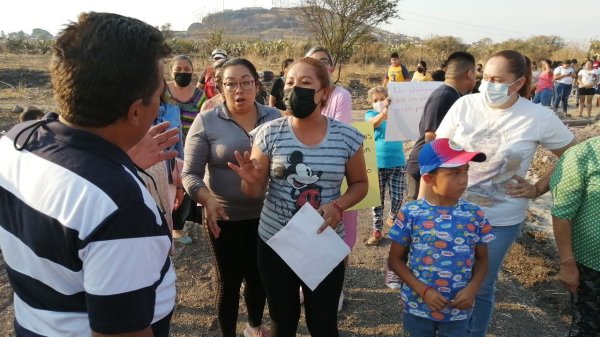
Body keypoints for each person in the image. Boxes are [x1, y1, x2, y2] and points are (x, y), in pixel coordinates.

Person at [0, 12, 176, 337]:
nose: (160, 105)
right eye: (160, 95)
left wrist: (117, 161)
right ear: (136, 111)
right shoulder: (121, 208)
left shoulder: (17, 140)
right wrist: (117, 176)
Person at [435, 50, 576, 337]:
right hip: (453, 212)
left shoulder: (538, 116)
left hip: (500, 220)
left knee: (481, 284)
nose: (487, 84)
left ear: (519, 82)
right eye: (485, 77)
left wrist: (537, 188)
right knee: (446, 279)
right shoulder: (465, 105)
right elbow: (438, 151)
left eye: (497, 79)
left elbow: (573, 155)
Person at [229, 57, 368, 337]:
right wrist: (251, 181)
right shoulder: (269, 133)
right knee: (283, 321)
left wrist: (338, 204)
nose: (295, 89)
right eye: (290, 83)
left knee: (324, 324)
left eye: (306, 83)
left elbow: (360, 184)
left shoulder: (346, 136)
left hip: (323, 240)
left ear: (324, 92)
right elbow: (253, 193)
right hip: (276, 242)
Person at [182, 58, 280, 337]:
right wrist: (207, 200)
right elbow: (190, 174)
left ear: (256, 85)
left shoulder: (275, 119)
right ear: (220, 88)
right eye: (231, 83)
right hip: (223, 217)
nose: (240, 90)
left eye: (246, 82)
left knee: (258, 276)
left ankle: (252, 326)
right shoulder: (206, 121)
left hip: (267, 216)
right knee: (229, 280)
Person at [388, 138, 493, 337]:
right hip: (418, 307)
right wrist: (423, 290)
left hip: (457, 312)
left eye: (466, 171)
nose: (463, 180)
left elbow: (482, 260)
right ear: (429, 179)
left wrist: (472, 289)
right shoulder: (411, 213)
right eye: (454, 173)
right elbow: (394, 260)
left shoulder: (475, 215)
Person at [306, 46, 358, 309]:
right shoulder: (301, 94)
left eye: (324, 61)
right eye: (313, 61)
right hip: (306, 181)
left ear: (332, 69)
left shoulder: (341, 96)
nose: (319, 65)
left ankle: (335, 290)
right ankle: (307, 285)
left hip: (335, 179)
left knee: (338, 237)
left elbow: (340, 135)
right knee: (306, 234)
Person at [406, 51, 477, 202]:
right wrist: (434, 174)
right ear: (470, 73)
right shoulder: (444, 96)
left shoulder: (453, 94)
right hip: (425, 170)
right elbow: (431, 137)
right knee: (420, 216)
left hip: (433, 169)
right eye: (476, 71)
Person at [550, 136, 600, 337]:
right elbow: (561, 215)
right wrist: (568, 263)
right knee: (589, 327)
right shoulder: (583, 155)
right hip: (592, 266)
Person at [164, 54, 206, 244]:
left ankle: (179, 226)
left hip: (191, 148)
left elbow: (204, 118)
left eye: (187, 70)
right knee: (169, 186)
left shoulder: (199, 95)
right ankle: (168, 226)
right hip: (168, 148)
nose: (183, 73)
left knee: (187, 185)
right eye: (178, 70)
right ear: (171, 71)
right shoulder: (163, 92)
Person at [364, 86, 405, 246]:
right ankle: (377, 231)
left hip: (398, 162)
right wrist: (384, 112)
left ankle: (392, 217)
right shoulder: (371, 114)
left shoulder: (398, 115)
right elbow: (372, 125)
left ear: (388, 98)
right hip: (377, 163)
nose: (379, 102)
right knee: (377, 201)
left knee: (397, 196)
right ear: (370, 103)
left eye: (382, 99)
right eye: (375, 100)